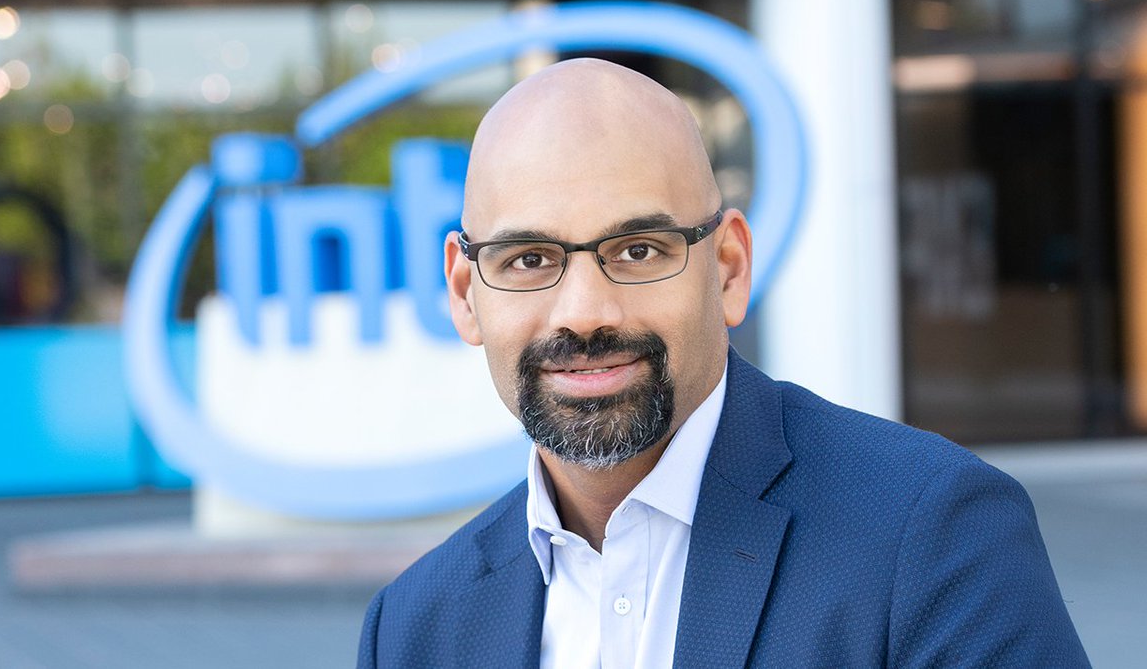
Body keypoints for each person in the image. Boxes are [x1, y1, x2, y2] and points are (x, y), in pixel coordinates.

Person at [356, 58, 1089, 668]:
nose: (583, 312)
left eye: (638, 249)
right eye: (529, 258)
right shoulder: (413, 630)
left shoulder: (934, 538)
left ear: (729, 268)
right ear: (466, 294)